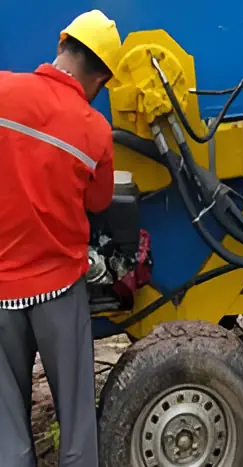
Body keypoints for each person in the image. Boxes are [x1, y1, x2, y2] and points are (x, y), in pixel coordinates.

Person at [0, 10, 120, 467]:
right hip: (56, 288)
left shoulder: (3, 90)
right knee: (75, 423)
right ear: (101, 79)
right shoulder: (93, 129)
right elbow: (99, 200)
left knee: (7, 424)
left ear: (61, 46)